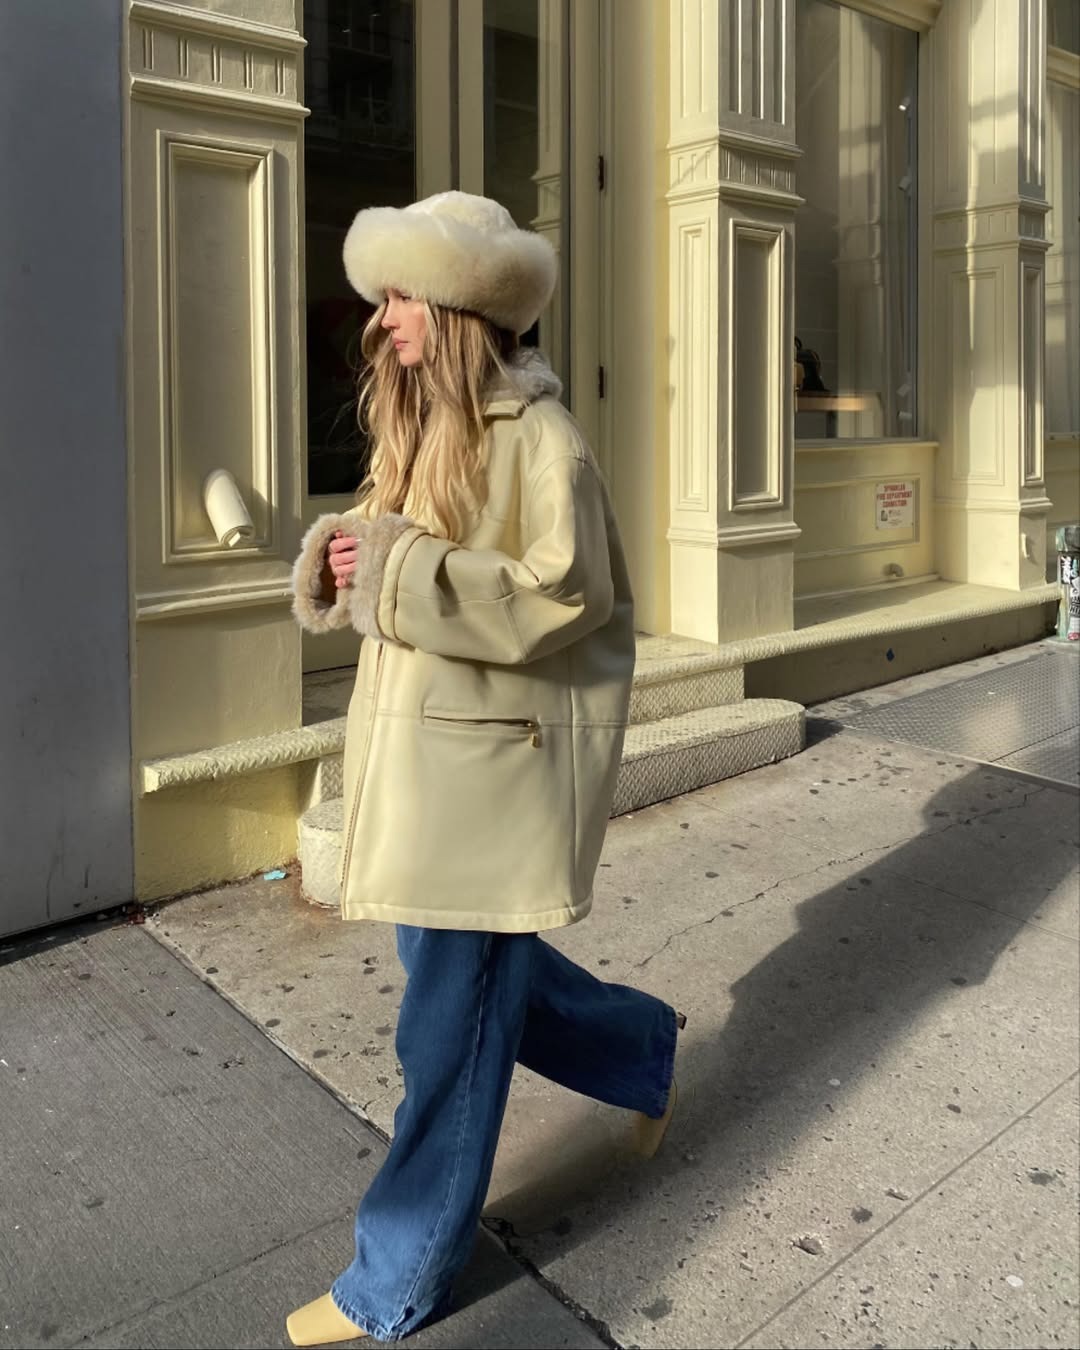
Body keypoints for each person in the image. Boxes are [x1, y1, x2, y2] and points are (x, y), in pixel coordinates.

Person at [287, 191, 681, 1346]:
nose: (381, 321)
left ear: (460, 307)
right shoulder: (425, 422)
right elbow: (399, 554)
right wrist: (346, 558)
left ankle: (396, 1277)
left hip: (492, 783)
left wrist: (398, 568)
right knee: (481, 987)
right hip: (428, 777)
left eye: (402, 297)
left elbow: (568, 597)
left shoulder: (544, 443)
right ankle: (641, 1047)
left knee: (445, 1033)